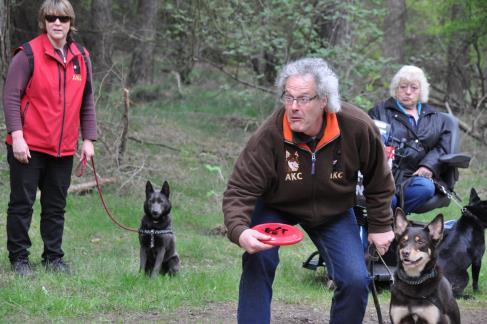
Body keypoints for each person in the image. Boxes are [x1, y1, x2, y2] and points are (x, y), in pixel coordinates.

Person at [223, 58, 395, 324]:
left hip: (333, 210)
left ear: (324, 100)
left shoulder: (356, 126)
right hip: (276, 205)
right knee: (258, 260)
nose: (293, 107)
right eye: (288, 97)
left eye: (303, 99)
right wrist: (240, 230)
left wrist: (381, 224)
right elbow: (240, 188)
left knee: (355, 279)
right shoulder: (270, 134)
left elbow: (379, 177)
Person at [2, 0, 97, 276]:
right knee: (22, 204)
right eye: (52, 18)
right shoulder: (28, 54)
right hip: (28, 147)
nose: (58, 23)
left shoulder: (82, 57)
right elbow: (10, 97)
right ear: (43, 21)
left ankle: (53, 257)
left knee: (55, 207)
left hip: (63, 149)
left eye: (63, 18)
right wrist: (17, 137)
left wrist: (88, 139)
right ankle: (19, 258)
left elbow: (87, 100)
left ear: (70, 23)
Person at [368, 65, 452, 214]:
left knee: (425, 188)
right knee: (387, 198)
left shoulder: (435, 117)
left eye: (414, 88)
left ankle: (389, 215)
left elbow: (443, 147)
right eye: (403, 87)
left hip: (416, 177)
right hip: (386, 175)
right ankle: (391, 218)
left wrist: (429, 166)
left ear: (421, 91)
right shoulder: (379, 112)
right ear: (396, 89)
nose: (408, 92)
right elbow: (369, 142)